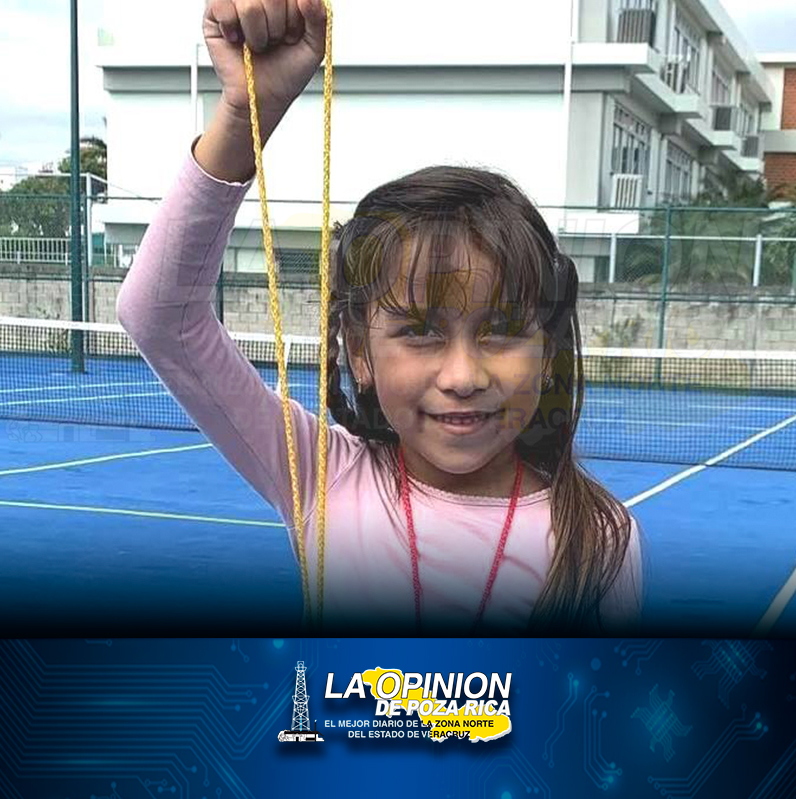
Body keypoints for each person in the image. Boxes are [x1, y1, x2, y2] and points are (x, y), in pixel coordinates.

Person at [116, 0, 644, 635]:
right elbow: (159, 316)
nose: (463, 374)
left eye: (502, 329)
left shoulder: (602, 536)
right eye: (420, 331)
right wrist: (242, 112)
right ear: (359, 354)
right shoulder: (319, 474)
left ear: (546, 345)